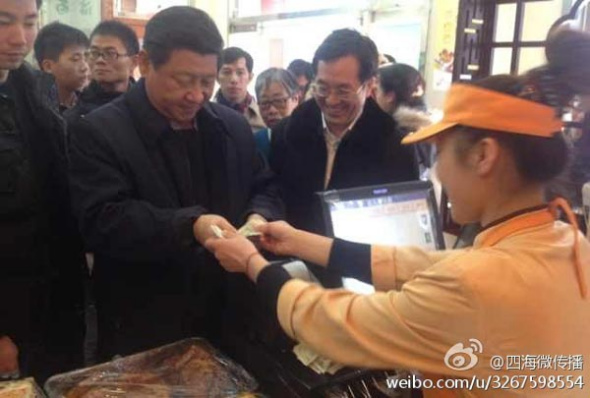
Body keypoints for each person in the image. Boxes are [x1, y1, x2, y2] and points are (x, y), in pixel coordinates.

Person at [206, 28, 590, 397]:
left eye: (441, 152)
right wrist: (299, 240)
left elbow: (335, 322)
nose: (437, 172)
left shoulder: (476, 281)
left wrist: (253, 264)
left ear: (483, 155)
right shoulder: (568, 241)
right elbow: (414, 264)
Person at [68, 6, 282, 362]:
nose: (197, 95)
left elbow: (265, 185)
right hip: (146, 323)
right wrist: (190, 225)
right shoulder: (99, 131)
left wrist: (260, 215)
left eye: (206, 81)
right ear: (146, 63)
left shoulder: (232, 126)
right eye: (183, 81)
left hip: (230, 314)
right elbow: (102, 220)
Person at [271, 29, 418, 285]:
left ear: (370, 85)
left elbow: (402, 228)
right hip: (293, 271)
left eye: (343, 90)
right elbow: (275, 193)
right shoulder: (290, 131)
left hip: (360, 280)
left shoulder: (394, 144)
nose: (331, 100)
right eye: (322, 87)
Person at [0, 0, 86, 381]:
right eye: (3, 22)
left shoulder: (33, 87)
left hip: (57, 290)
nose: (19, 38)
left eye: (30, 22)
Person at [65, 20, 139, 123]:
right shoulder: (75, 111)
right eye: (94, 53)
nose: (100, 60)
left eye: (110, 53)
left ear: (134, 62)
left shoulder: (143, 107)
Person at [374, 63, 432, 176]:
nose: (372, 95)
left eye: (376, 90)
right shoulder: (426, 125)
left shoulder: (397, 133)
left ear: (389, 96)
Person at [33, 21, 89, 113]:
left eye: (86, 58)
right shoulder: (36, 109)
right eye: (75, 59)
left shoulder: (90, 103)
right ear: (48, 67)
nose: (85, 67)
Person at [214, 46, 264, 131]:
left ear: (250, 77)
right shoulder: (204, 114)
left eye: (240, 73)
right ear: (217, 77)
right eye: (227, 72)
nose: (234, 79)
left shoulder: (263, 116)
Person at [253, 68, 299, 160]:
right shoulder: (255, 142)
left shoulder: (310, 138)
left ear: (295, 99)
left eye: (279, 101)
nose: (272, 110)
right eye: (265, 103)